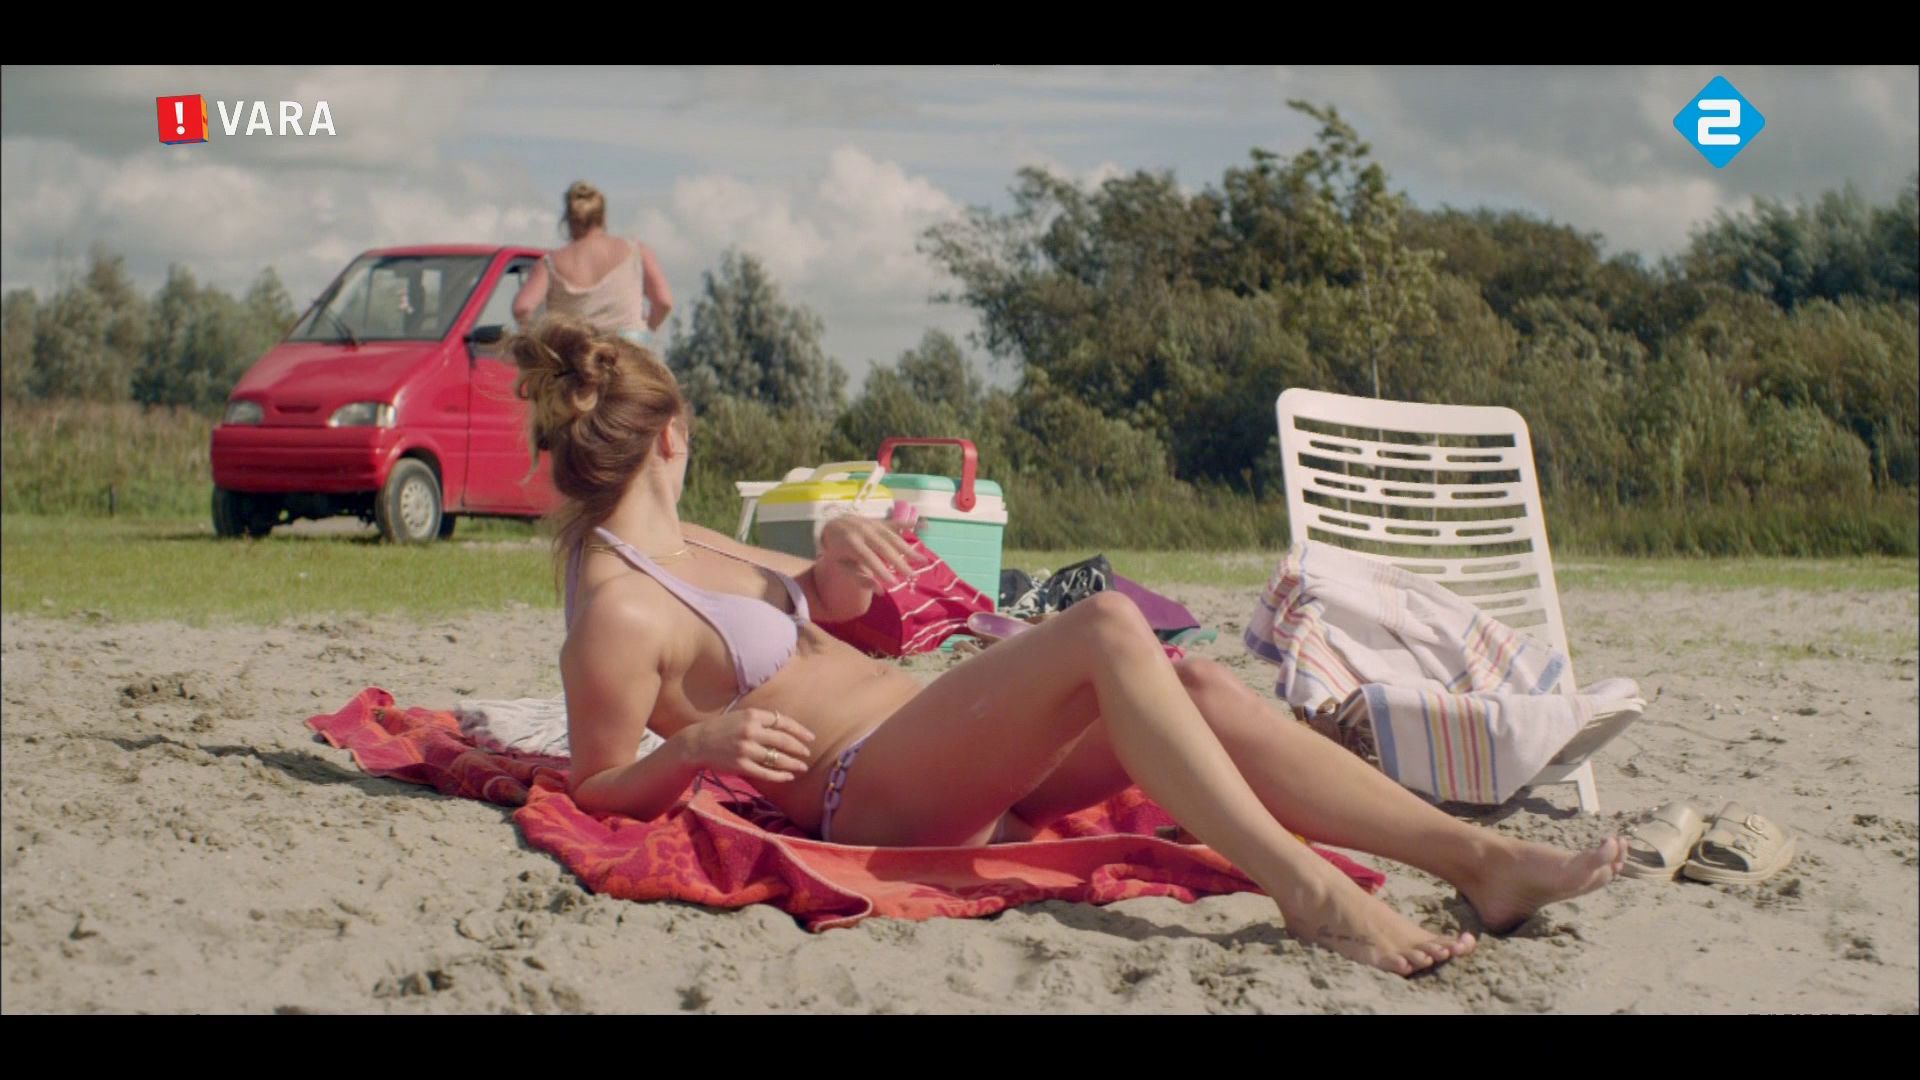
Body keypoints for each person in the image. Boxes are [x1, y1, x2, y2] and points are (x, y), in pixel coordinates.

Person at [507, 318, 1626, 976]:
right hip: (869, 786)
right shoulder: (619, 607)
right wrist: (697, 746)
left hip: (928, 735)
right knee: (1103, 626)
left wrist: (831, 570)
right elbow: (594, 790)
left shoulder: (686, 538)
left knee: (1191, 678)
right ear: (673, 433)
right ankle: (1305, 889)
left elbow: (805, 626)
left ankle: (1476, 863)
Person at [512, 181, 673, 344]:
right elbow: (664, 302)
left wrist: (541, 342)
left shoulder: (550, 263)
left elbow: (523, 308)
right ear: (602, 217)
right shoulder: (636, 251)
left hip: (575, 351)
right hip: (627, 350)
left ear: (568, 220)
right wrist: (646, 331)